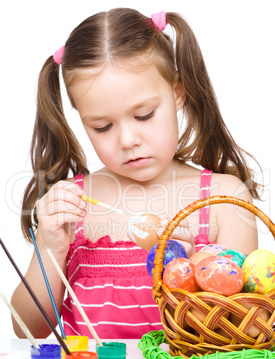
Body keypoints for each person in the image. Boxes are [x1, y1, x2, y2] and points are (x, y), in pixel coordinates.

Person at [11, 8, 261, 339]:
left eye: (143, 115)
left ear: (177, 93)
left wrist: (187, 267)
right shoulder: (72, 204)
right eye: (102, 126)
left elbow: (238, 330)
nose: (128, 140)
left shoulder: (223, 200)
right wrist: (48, 248)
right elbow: (28, 329)